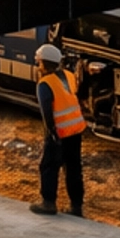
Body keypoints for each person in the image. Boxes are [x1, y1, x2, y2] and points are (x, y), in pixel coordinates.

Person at [30, 41, 86, 218]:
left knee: (48, 166)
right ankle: (76, 207)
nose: (38, 66)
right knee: (73, 168)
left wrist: (51, 131)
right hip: (75, 130)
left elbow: (47, 109)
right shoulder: (69, 76)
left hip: (59, 132)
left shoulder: (45, 84)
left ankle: (48, 203)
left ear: (44, 63)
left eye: (39, 62)